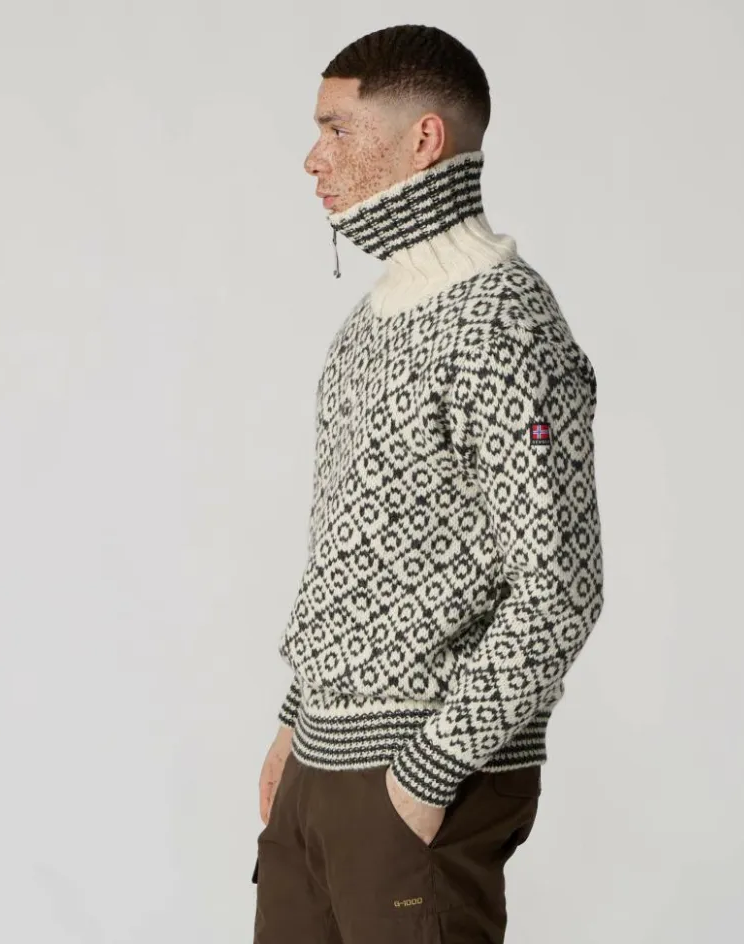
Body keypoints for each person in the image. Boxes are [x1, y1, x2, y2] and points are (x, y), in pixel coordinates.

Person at [251, 23, 605, 944]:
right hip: (316, 772)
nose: (313, 159)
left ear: (424, 140)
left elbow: (561, 588)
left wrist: (426, 772)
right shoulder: (367, 328)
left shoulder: (505, 323)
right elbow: (351, 555)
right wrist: (296, 722)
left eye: (336, 129)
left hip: (414, 780)